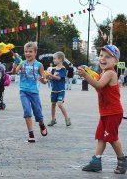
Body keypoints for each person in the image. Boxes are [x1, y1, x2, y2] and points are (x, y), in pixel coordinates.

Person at [78, 45, 127, 174]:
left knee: (112, 138)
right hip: (106, 112)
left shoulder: (110, 73)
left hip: (113, 112)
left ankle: (122, 160)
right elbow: (99, 88)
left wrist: (86, 76)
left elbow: (98, 85)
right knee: (101, 136)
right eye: (101, 56)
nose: (102, 59)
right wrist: (90, 74)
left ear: (115, 61)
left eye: (108, 57)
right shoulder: (104, 73)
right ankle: (96, 161)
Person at [11, 41, 48, 143]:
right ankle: (31, 133)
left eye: (30, 51)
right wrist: (14, 66)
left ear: (35, 52)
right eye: (26, 51)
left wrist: (42, 80)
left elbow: (44, 80)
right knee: (27, 111)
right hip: (23, 91)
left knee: (38, 114)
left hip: (34, 93)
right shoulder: (22, 63)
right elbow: (15, 72)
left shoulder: (39, 65)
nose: (28, 53)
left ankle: (41, 124)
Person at [46, 52, 71, 127]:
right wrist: (48, 77)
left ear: (60, 59)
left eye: (54, 58)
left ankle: (67, 118)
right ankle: (53, 119)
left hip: (61, 90)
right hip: (54, 90)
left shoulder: (63, 69)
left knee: (59, 104)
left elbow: (59, 78)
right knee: (53, 105)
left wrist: (51, 75)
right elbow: (51, 78)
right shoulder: (53, 69)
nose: (53, 60)